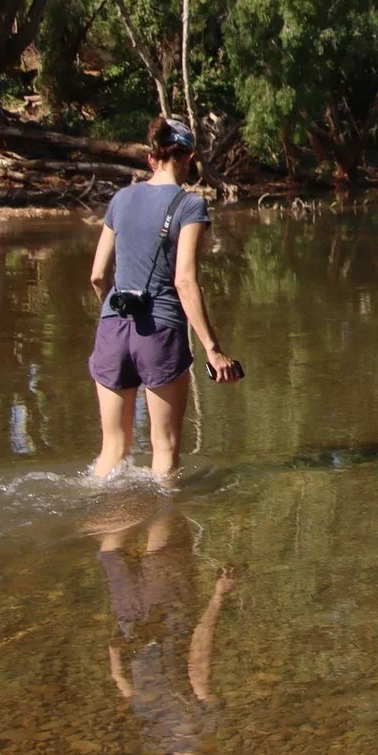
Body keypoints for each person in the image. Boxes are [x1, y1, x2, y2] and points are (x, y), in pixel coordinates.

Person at [87, 115, 242, 481]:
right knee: (166, 447)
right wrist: (213, 349)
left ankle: (105, 534)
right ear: (188, 158)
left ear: (150, 158)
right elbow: (185, 281)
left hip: (112, 327)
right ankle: (164, 535)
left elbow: (96, 275)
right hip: (159, 331)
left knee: (113, 448)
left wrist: (110, 315)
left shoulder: (120, 199)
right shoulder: (189, 206)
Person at [87, 503, 237, 755]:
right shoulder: (145, 708)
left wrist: (219, 597)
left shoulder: (198, 703)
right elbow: (119, 678)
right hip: (129, 616)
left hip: (167, 607)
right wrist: (117, 639)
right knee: (111, 543)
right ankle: (115, 487)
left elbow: (198, 656)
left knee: (164, 509)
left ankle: (143, 481)